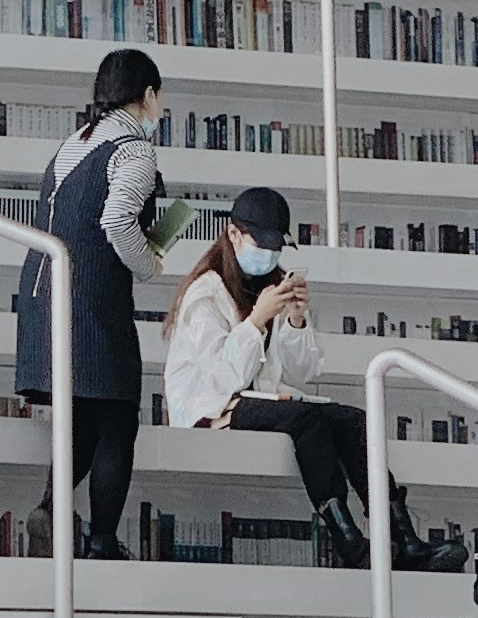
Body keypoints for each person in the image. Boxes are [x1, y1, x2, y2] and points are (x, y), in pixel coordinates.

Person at [161, 184, 459, 571]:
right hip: (211, 407)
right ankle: (347, 540)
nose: (268, 255)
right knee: (306, 421)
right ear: (233, 233)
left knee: (352, 421)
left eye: (275, 246)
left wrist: (297, 320)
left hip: (260, 398)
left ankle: (404, 537)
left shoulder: (274, 285)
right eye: (260, 243)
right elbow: (223, 378)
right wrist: (257, 320)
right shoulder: (205, 295)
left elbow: (300, 373)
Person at [11, 47, 196, 560]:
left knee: (83, 415)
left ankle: (51, 507)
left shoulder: (73, 143)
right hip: (89, 295)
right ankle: (103, 541)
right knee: (116, 417)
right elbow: (116, 221)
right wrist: (148, 263)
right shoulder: (134, 149)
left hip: (42, 292)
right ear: (149, 95)